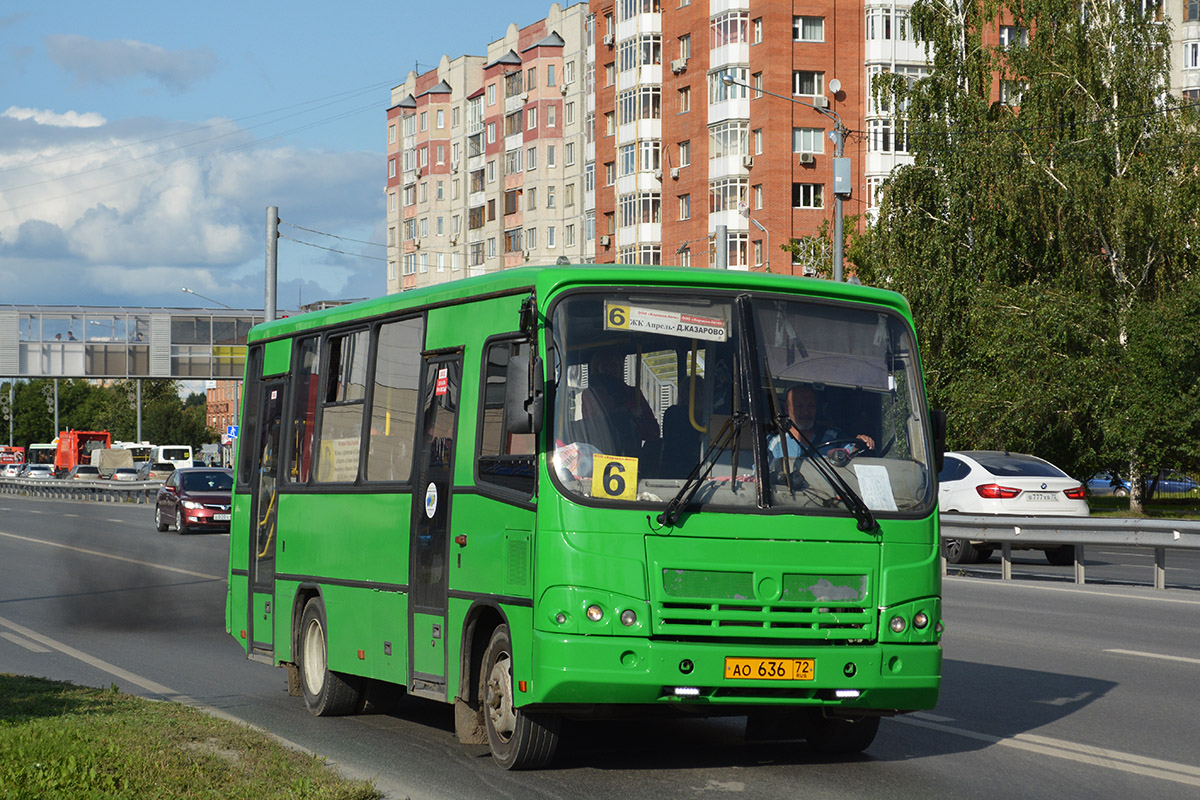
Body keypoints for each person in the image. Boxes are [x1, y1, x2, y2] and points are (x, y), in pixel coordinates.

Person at [580, 348, 660, 456]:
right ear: (597, 368)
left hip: (630, 450)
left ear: (621, 368)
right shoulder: (591, 394)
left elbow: (653, 431)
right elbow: (599, 423)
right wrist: (628, 414)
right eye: (605, 365)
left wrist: (638, 420)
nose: (610, 369)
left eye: (614, 365)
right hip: (600, 450)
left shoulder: (633, 393)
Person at [769, 384, 874, 460]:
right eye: (799, 406)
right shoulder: (775, 443)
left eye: (811, 406)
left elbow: (853, 455)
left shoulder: (834, 437)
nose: (805, 412)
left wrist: (860, 443)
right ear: (787, 409)